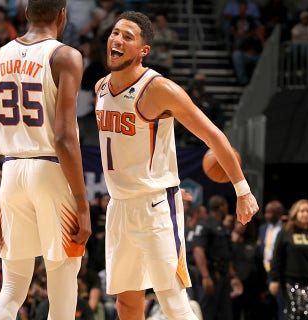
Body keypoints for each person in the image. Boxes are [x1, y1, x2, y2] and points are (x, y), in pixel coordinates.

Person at [92, 10, 259, 319]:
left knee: (173, 301)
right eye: (115, 33)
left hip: (154, 206)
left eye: (128, 37)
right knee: (126, 303)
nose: (117, 40)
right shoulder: (101, 87)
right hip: (119, 206)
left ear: (144, 51)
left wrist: (242, 189)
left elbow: (213, 134)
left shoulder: (158, 89)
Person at [0, 1, 91, 319]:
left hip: (11, 172)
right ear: (62, 15)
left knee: (12, 291)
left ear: (26, 13)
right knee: (63, 292)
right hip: (51, 168)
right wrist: (83, 205)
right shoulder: (66, 56)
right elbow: (65, 139)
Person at [193, 195, 242, 320]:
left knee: (225, 314)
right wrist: (205, 276)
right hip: (210, 275)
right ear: (221, 207)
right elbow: (198, 251)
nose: (227, 208)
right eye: (225, 205)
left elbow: (227, 255)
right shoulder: (205, 224)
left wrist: (233, 277)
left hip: (224, 276)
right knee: (207, 313)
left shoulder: (223, 227)